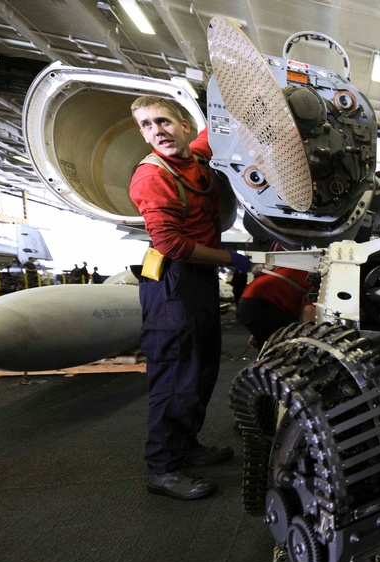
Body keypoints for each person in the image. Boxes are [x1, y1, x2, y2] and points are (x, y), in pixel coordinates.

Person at [129, 95, 252, 501]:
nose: (156, 131)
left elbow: (220, 132)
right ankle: (163, 468)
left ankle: (186, 447)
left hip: (197, 280)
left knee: (201, 369)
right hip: (171, 282)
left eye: (162, 121)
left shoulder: (195, 156)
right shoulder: (152, 176)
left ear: (184, 124)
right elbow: (172, 244)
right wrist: (230, 258)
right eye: (146, 125)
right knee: (175, 374)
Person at [237, 267, 317, 350]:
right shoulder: (316, 280)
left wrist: (258, 330)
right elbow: (309, 311)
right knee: (286, 345)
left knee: (269, 345)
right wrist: (310, 343)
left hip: (248, 301)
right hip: (264, 305)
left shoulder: (298, 269)